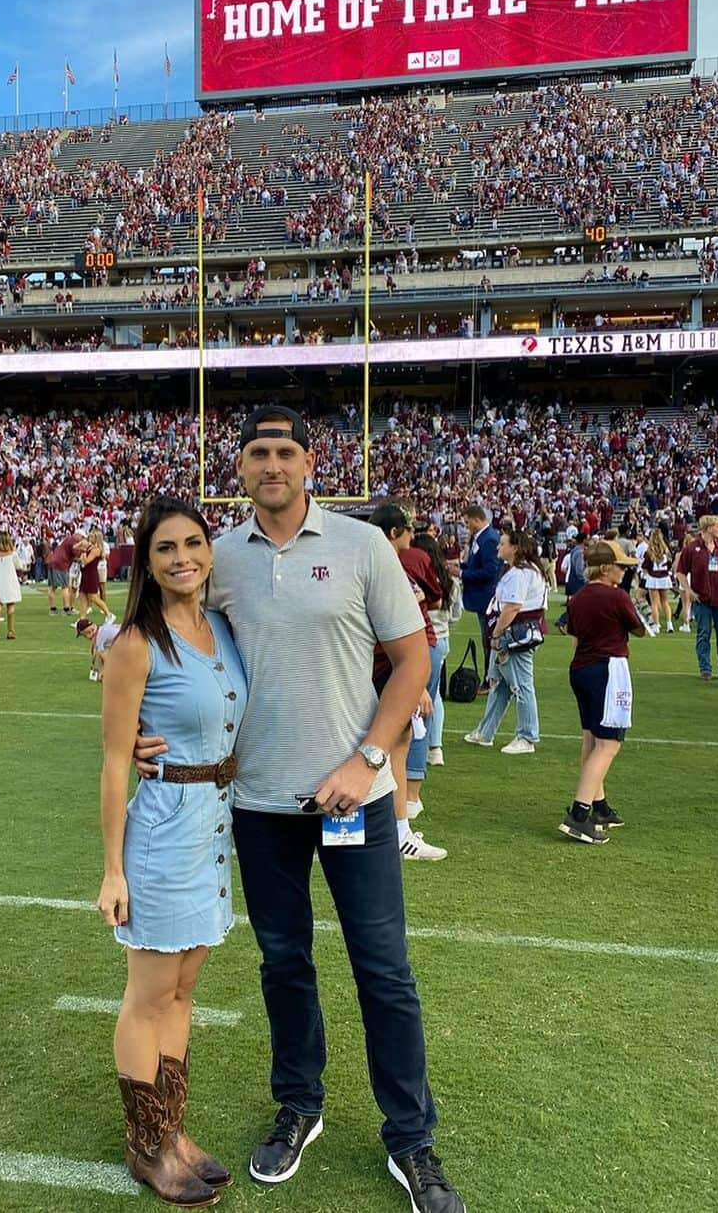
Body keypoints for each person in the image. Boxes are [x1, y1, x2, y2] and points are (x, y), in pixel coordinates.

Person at [134, 405, 464, 1213]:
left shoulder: (360, 545)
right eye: (257, 453)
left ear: (312, 464)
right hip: (257, 801)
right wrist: (146, 725)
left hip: (358, 796)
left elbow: (413, 656)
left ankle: (411, 1137)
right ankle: (299, 1104)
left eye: (285, 451)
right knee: (283, 962)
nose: (271, 465)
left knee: (383, 969)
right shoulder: (222, 557)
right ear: (238, 468)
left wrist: (369, 757)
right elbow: (161, 631)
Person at [97, 497, 247, 1207]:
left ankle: (174, 1130)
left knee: (185, 991)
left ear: (209, 550)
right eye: (165, 547)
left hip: (213, 832)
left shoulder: (221, 626)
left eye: (193, 542)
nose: (181, 556)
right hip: (160, 832)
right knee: (148, 995)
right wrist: (112, 869)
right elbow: (113, 761)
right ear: (147, 561)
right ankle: (146, 1145)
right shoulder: (134, 641)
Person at [368, 502, 447, 854]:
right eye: (407, 529)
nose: (413, 537)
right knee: (392, 747)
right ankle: (397, 832)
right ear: (393, 532)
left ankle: (396, 829)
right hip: (387, 663)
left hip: (385, 663)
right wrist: (413, 683)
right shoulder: (391, 564)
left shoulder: (380, 561)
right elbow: (402, 623)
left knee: (391, 745)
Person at [560, 541, 647, 843]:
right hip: (608, 668)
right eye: (621, 566)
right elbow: (639, 629)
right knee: (609, 744)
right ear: (606, 567)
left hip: (581, 668)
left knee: (591, 738)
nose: (624, 571)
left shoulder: (578, 596)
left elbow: (573, 632)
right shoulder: (616, 596)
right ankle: (579, 814)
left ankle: (599, 806)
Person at [464, 529, 548, 754]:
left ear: (515, 548)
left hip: (515, 635)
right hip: (516, 633)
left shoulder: (520, 573)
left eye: (503, 544)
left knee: (521, 685)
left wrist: (497, 634)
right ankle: (485, 731)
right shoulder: (524, 571)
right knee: (499, 685)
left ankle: (527, 736)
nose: (498, 547)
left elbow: (513, 606)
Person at [412, 531, 462, 768]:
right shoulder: (449, 580)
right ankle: (435, 747)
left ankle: (422, 752)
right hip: (442, 639)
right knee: (434, 695)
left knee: (420, 696)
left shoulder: (417, 576)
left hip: (423, 639)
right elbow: (456, 615)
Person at [677, 516, 718, 680]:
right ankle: (705, 669)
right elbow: (680, 572)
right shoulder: (692, 548)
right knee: (703, 634)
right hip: (702, 600)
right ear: (708, 528)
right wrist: (689, 590)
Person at [460, 503, 500, 683]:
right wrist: (459, 567)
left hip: (486, 597)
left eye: (468, 522)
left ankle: (490, 678)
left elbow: (490, 571)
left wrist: (462, 573)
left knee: (489, 640)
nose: (467, 526)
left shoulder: (488, 539)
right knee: (487, 639)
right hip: (482, 597)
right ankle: (490, 677)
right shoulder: (481, 537)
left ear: (477, 519)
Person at [0, 531, 22, 641]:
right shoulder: (13, 554)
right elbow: (19, 566)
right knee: (10, 607)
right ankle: (10, 632)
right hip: (10, 582)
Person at [641, 529, 675, 632]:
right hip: (664, 578)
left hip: (653, 578)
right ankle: (669, 624)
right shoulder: (666, 551)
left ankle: (656, 625)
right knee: (665, 602)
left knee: (654, 603)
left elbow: (645, 567)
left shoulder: (649, 552)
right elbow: (669, 565)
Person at [46, 531, 86, 616]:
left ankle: (53, 609)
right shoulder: (73, 541)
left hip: (52, 561)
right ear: (78, 535)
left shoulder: (68, 539)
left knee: (52, 587)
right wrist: (83, 550)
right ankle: (66, 609)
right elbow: (76, 554)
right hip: (61, 563)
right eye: (82, 537)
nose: (82, 540)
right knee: (65, 587)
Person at [79, 526, 113, 620]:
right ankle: (82, 619)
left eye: (92, 537)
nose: (89, 538)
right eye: (89, 536)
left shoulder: (96, 550)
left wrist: (83, 552)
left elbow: (86, 561)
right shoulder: (90, 548)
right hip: (85, 574)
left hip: (91, 575)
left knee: (93, 597)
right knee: (82, 595)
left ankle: (109, 614)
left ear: (96, 538)